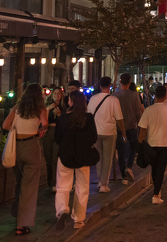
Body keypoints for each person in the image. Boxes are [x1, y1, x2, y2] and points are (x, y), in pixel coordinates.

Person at [2, 83, 48, 236]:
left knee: (20, 182)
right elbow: (45, 125)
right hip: (31, 145)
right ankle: (21, 225)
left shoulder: (17, 108)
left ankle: (17, 211)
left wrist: (18, 128)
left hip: (16, 148)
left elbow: (5, 125)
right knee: (29, 187)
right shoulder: (40, 109)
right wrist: (40, 129)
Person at [54, 91, 98, 230]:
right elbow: (94, 137)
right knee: (82, 187)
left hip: (65, 156)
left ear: (71, 102)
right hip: (83, 156)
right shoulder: (89, 118)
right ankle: (78, 219)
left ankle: (62, 210)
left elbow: (57, 139)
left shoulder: (63, 119)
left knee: (62, 186)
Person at [138, 85, 167, 204]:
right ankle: (156, 194)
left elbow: (142, 129)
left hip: (151, 144)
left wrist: (140, 142)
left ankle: (157, 190)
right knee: (161, 169)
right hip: (166, 144)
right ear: (165, 95)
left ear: (155, 96)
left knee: (155, 168)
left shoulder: (148, 110)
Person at [87, 77, 125, 193]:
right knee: (108, 159)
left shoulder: (93, 99)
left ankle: (99, 181)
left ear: (99, 86)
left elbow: (88, 116)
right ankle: (104, 184)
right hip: (109, 132)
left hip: (96, 132)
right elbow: (119, 119)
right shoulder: (114, 100)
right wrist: (123, 133)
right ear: (110, 86)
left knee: (99, 158)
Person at [115, 73, 145, 184]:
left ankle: (124, 176)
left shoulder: (115, 95)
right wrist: (141, 124)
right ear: (130, 82)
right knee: (134, 147)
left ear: (120, 81)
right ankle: (129, 166)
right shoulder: (134, 95)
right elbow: (138, 112)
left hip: (118, 127)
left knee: (121, 151)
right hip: (132, 125)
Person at [43, 87, 64, 191]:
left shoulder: (63, 106)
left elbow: (64, 122)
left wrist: (60, 115)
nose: (57, 95)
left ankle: (54, 183)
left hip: (58, 132)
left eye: (59, 93)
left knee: (55, 158)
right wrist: (48, 110)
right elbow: (44, 122)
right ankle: (49, 181)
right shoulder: (47, 106)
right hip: (48, 132)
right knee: (48, 158)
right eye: (55, 93)